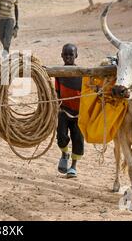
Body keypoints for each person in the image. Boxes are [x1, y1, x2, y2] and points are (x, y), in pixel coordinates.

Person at [55, 44, 84, 178]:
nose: (68, 57)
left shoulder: (83, 73)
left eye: (71, 55)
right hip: (64, 110)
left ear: (76, 56)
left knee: (77, 139)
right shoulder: (58, 72)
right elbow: (57, 91)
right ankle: (64, 153)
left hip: (80, 113)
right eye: (65, 55)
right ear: (61, 55)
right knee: (61, 136)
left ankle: (73, 166)